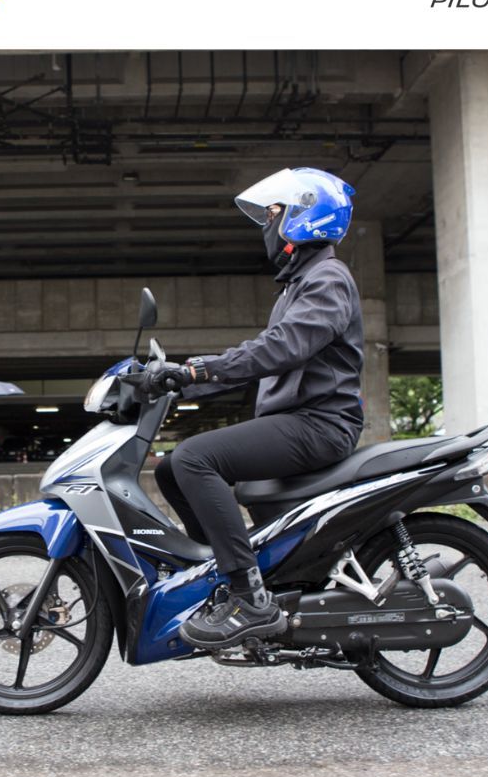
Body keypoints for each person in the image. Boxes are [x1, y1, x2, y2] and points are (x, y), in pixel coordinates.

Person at [148, 167, 365, 650]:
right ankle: (218, 576)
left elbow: (282, 347)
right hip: (296, 421)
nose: (268, 224)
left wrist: (200, 369)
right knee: (170, 469)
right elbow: (262, 363)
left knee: (194, 458)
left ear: (305, 216)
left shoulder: (327, 278)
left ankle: (249, 598)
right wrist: (179, 382)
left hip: (320, 424)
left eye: (274, 214)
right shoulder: (299, 284)